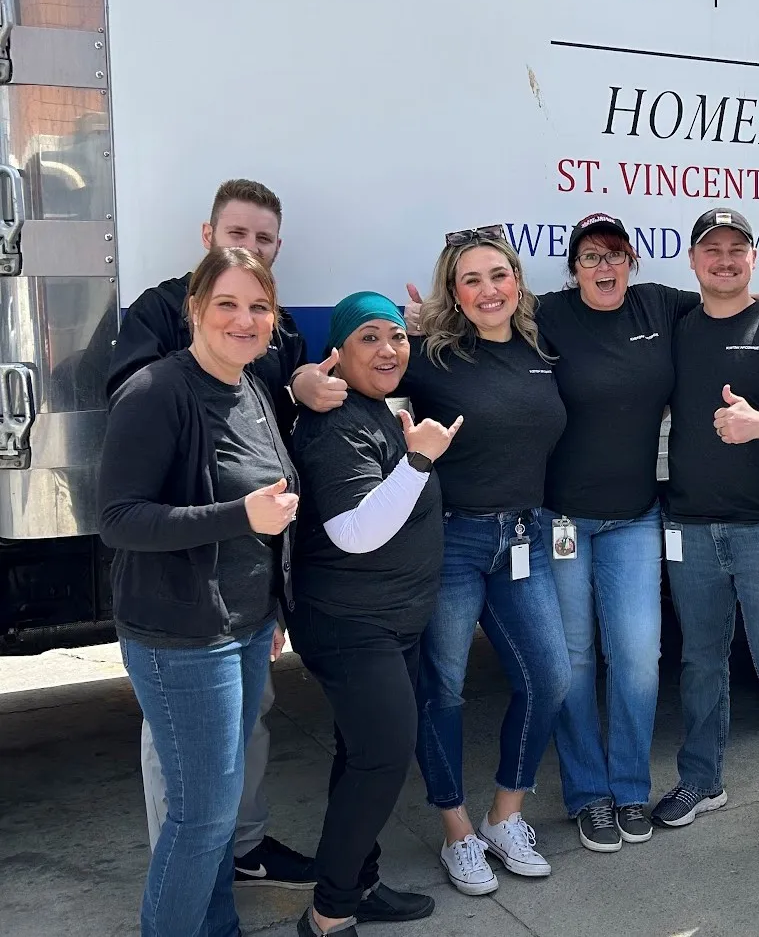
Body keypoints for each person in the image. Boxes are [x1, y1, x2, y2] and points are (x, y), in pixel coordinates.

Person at [525, 212, 759, 853]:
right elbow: (486, 318)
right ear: (573, 268)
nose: (605, 267)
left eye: (616, 254)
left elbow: (725, 300)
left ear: (632, 263)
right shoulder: (548, 314)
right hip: (562, 520)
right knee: (574, 660)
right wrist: (421, 327)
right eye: (591, 257)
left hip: (636, 518)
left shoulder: (659, 305)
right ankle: (588, 796)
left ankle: (628, 790)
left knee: (639, 658)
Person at [106, 178, 339, 889]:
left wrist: (299, 387)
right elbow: (138, 423)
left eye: (265, 239)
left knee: (249, 722)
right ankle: (184, 869)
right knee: (177, 747)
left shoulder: (280, 329)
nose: (251, 247)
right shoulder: (157, 314)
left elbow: (275, 432)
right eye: (238, 233)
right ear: (208, 237)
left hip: (248, 588)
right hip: (179, 587)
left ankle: (241, 849)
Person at [99, 247, 300, 937]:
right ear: (194, 310)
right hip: (180, 636)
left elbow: (275, 507)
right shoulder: (156, 391)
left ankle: (218, 928)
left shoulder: (253, 391)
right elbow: (119, 519)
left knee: (217, 806)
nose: (244, 320)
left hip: (243, 626)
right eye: (227, 304)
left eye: (259, 306)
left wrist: (272, 606)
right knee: (202, 816)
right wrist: (239, 516)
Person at [652, 207, 759, 872]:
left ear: (753, 258)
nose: (724, 260)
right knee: (700, 664)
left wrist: (757, 423)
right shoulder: (675, 327)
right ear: (692, 260)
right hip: (690, 526)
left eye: (736, 249)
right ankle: (702, 780)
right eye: (712, 249)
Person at [400, 227, 572, 896]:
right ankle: (457, 831)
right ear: (453, 291)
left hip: (526, 537)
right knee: (442, 687)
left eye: (498, 275)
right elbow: (355, 375)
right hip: (452, 542)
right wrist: (307, 381)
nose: (487, 290)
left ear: (517, 281)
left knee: (549, 678)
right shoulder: (429, 356)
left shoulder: (541, 349)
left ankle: (505, 816)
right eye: (470, 280)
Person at [287, 294, 463, 937]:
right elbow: (354, 532)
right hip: (351, 623)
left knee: (360, 753)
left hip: (391, 621)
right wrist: (419, 460)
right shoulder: (335, 425)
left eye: (396, 335)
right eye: (369, 337)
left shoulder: (377, 410)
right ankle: (329, 913)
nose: (388, 349)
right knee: (383, 757)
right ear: (338, 352)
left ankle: (358, 883)